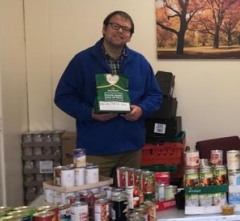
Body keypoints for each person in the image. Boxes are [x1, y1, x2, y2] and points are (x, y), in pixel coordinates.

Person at [55, 11, 162, 177]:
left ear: (130, 36)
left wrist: (141, 109)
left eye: (126, 29)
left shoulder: (140, 62)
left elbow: (155, 96)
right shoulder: (82, 61)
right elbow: (63, 97)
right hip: (96, 149)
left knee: (131, 199)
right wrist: (90, 113)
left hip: (131, 149)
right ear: (104, 28)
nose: (120, 31)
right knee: (94, 199)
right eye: (115, 26)